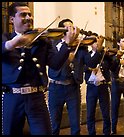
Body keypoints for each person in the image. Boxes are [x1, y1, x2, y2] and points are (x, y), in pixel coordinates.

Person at [2, 2, 79, 135]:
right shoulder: (5, 39)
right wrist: (13, 43)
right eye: (23, 14)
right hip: (12, 97)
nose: (28, 17)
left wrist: (67, 44)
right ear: (12, 19)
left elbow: (55, 64)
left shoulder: (42, 41)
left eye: (30, 14)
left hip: (36, 97)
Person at [47, 18, 88, 135]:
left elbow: (90, 62)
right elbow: (54, 64)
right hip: (55, 88)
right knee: (54, 124)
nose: (71, 30)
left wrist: (96, 50)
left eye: (72, 27)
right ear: (61, 31)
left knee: (75, 126)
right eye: (67, 28)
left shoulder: (80, 46)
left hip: (72, 87)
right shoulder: (52, 44)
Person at [84, 34, 112, 135]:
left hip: (103, 85)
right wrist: (89, 68)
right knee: (90, 113)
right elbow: (82, 66)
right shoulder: (86, 55)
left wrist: (110, 56)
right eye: (94, 42)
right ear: (91, 44)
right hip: (91, 86)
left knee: (105, 112)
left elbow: (112, 66)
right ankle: (91, 133)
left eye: (98, 41)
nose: (97, 43)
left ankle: (107, 132)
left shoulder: (104, 55)